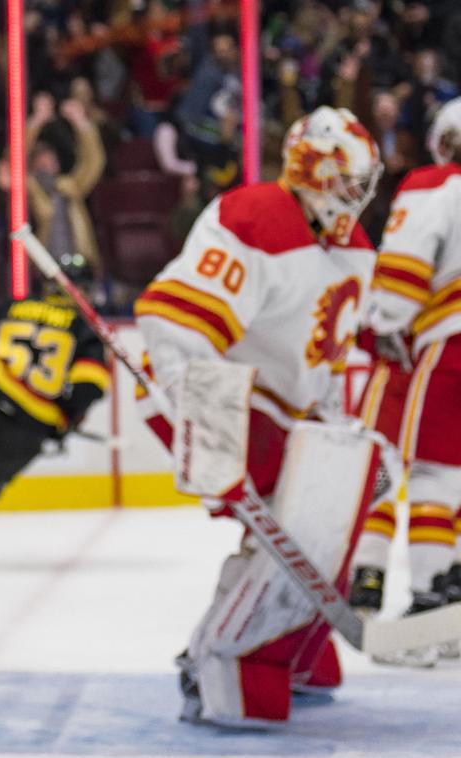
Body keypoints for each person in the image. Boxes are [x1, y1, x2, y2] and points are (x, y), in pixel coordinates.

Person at [134, 106, 383, 728]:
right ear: (313, 174)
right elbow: (175, 328)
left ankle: (294, 651)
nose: (359, 196)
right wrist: (210, 436)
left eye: (364, 181)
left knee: (348, 488)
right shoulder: (256, 217)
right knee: (294, 526)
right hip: (216, 395)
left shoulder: (353, 247)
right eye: (348, 180)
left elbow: (324, 359)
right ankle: (222, 661)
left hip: (279, 408)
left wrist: (333, 434)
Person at [348, 97, 461, 666]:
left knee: (426, 470)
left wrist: (383, 320)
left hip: (447, 346)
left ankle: (429, 603)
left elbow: (402, 272)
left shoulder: (434, 185)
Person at [0, 263, 109, 514]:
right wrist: (65, 419)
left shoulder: (11, 306)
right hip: (29, 421)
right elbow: (89, 386)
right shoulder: (83, 327)